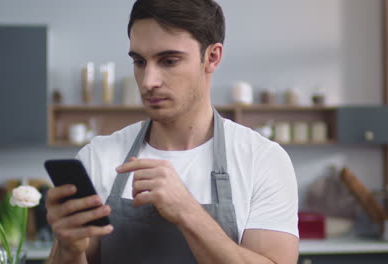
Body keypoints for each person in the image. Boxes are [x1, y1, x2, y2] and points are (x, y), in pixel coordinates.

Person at [46, 0, 299, 263]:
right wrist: (69, 249)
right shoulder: (98, 157)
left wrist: (188, 212)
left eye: (168, 61)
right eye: (140, 61)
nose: (148, 81)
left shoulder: (263, 160)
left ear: (212, 57)